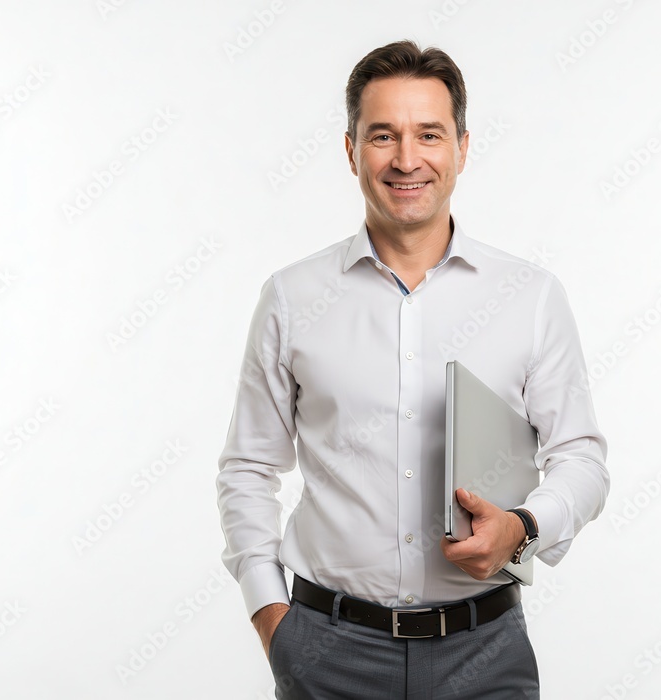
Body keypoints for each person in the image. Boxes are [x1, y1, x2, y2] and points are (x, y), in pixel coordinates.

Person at [216, 39, 609, 699]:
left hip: (486, 652)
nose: (406, 159)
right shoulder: (292, 296)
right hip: (326, 653)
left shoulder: (530, 296)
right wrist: (273, 620)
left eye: (428, 134)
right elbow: (248, 468)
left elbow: (582, 459)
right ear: (350, 151)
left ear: (460, 146)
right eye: (382, 136)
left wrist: (524, 528)